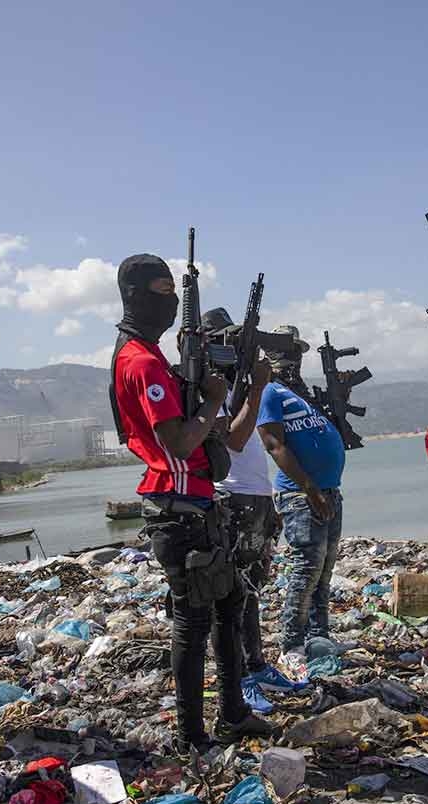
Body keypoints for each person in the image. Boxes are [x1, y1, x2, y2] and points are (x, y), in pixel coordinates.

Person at [109, 256, 272, 752]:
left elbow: (203, 435)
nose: (171, 301)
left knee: (229, 605)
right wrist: (210, 400)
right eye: (162, 290)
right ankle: (191, 733)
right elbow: (178, 443)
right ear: (136, 295)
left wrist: (211, 411)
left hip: (196, 502)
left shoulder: (151, 357)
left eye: (174, 291)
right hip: (177, 506)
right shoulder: (140, 361)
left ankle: (233, 713)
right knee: (192, 622)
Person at [201, 309, 303, 714]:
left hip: (256, 495)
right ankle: (239, 677)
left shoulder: (233, 382)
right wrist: (258, 388)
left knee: (250, 590)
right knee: (230, 596)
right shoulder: (207, 386)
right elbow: (236, 440)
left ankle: (256, 665)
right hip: (231, 497)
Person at [258, 325, 347, 653]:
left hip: (327, 492)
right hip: (301, 496)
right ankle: (292, 644)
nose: (295, 358)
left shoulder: (300, 393)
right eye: (289, 351)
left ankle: (318, 638)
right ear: (273, 354)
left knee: (324, 571)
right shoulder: (269, 392)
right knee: (306, 570)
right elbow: (273, 443)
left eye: (298, 352)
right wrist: (310, 489)